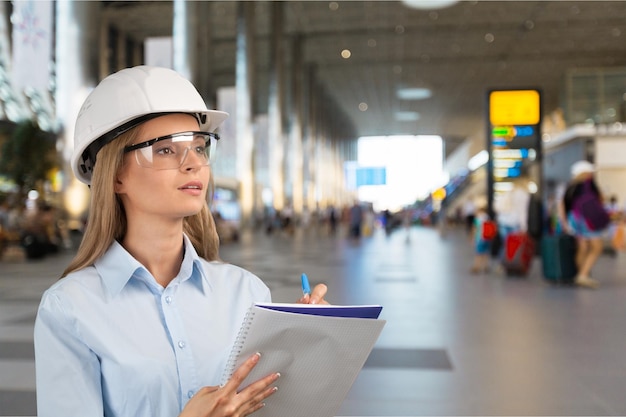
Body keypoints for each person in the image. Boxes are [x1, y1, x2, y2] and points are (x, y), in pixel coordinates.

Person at [33, 66, 328, 417]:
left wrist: (306, 350)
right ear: (114, 175)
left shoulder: (245, 294)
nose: (193, 164)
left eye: (200, 147)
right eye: (165, 150)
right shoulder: (70, 310)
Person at [560, 160, 608, 289]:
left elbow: (562, 206)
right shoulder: (589, 186)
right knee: (597, 247)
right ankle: (583, 275)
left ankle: (582, 274)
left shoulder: (570, 187)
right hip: (588, 221)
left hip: (574, 221)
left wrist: (564, 223)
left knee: (583, 248)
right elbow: (601, 201)